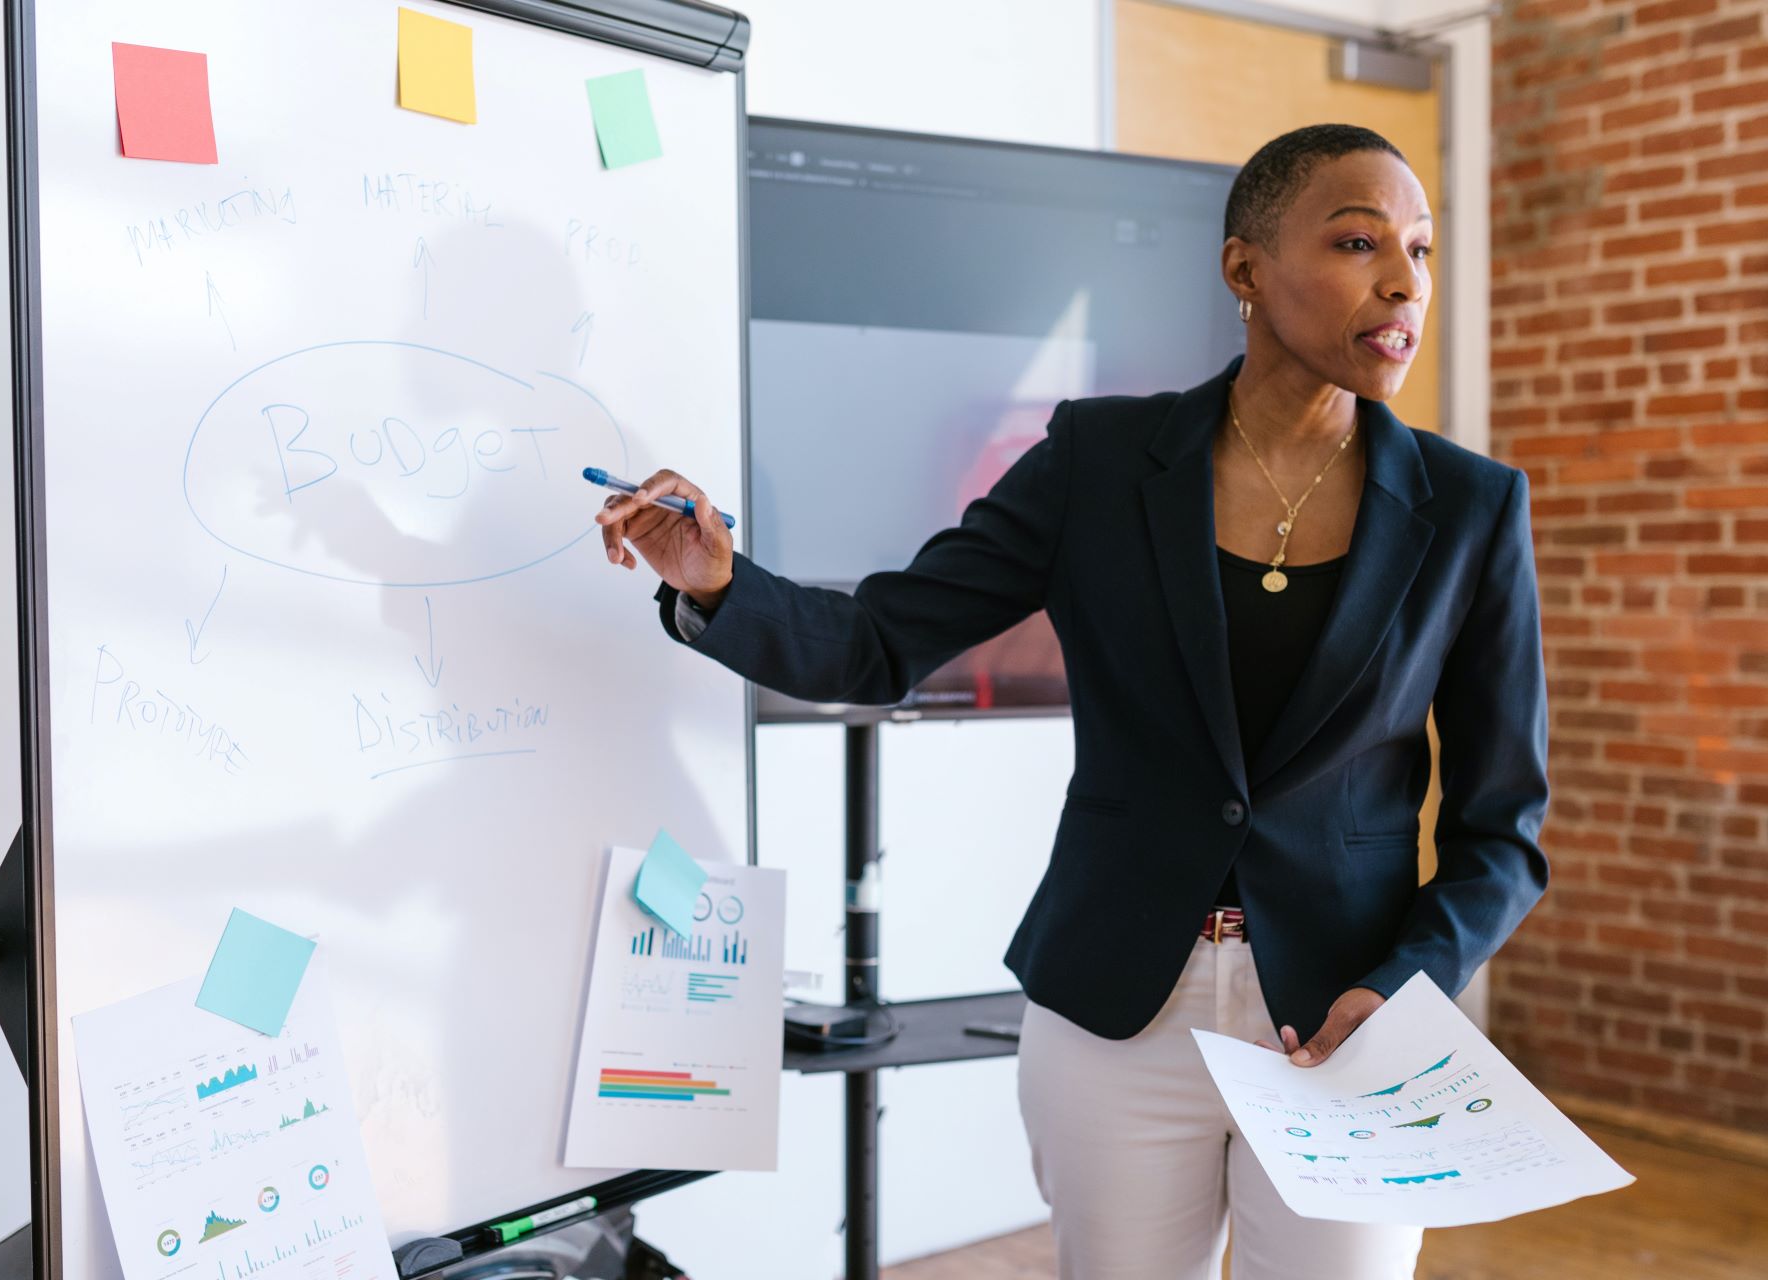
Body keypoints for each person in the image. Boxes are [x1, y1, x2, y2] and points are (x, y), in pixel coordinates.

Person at [592, 123, 1549, 1280]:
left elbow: (1504, 829)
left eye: (1421, 249)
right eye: (1358, 242)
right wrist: (721, 586)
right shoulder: (1100, 459)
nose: (1404, 281)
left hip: (1351, 1023)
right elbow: (882, 639)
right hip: (1114, 1012)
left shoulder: (1474, 508)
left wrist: (1405, 980)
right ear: (1245, 268)